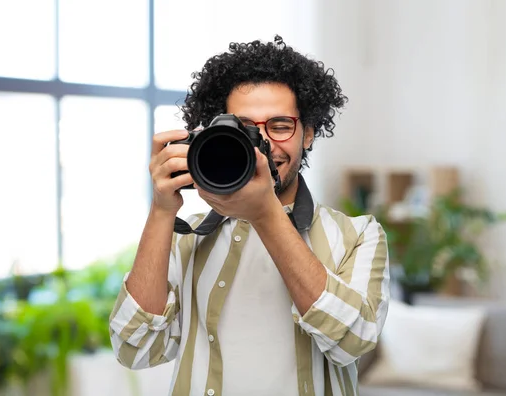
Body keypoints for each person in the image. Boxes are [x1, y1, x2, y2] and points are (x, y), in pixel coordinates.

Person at [109, 35, 390, 396]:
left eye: (280, 125)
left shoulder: (360, 235)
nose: (264, 146)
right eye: (245, 128)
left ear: (308, 134)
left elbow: (353, 341)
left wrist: (265, 214)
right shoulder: (184, 239)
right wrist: (162, 209)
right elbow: (136, 350)